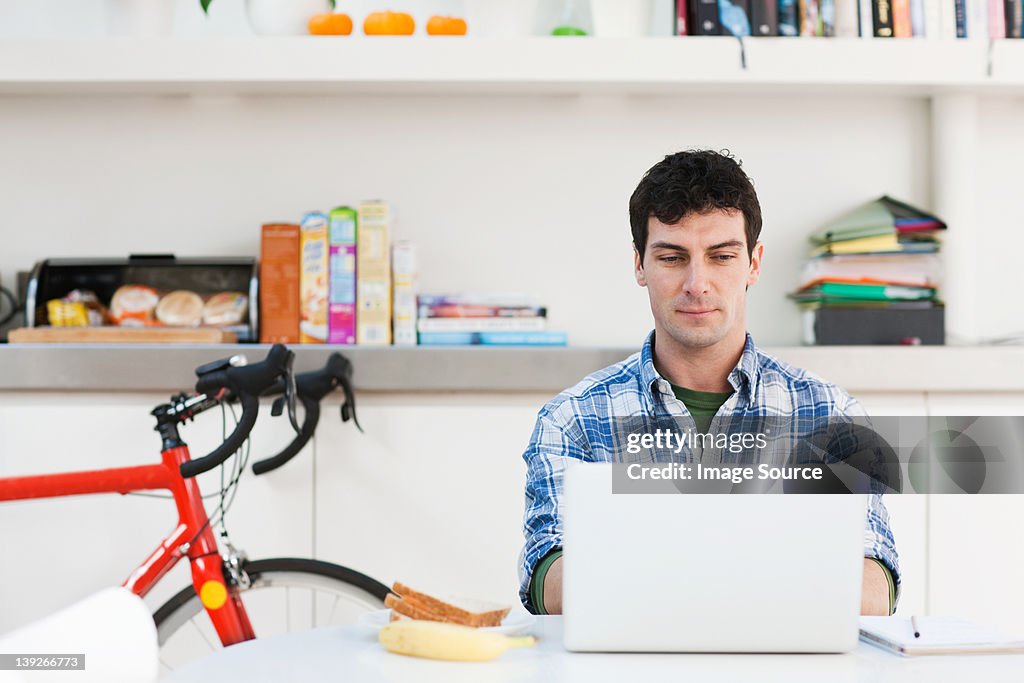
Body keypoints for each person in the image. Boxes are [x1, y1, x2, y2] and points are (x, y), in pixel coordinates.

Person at [519, 149, 899, 617]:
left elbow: (872, 591)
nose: (697, 284)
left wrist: (656, 573)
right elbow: (552, 583)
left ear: (753, 264)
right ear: (640, 265)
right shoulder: (573, 419)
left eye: (721, 256)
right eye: (673, 257)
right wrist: (769, 573)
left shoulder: (829, 414)